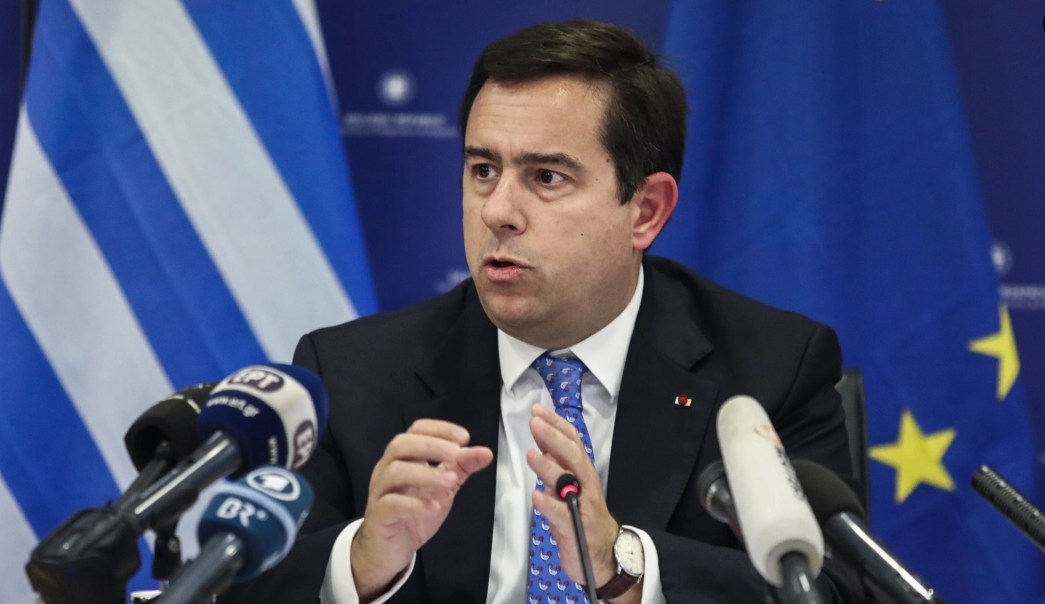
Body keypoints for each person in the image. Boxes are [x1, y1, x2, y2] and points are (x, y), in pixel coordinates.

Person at [219, 18, 858, 604]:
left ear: (646, 211)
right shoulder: (350, 373)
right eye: (483, 170)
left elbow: (832, 591)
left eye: (547, 177)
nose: (498, 210)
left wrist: (622, 564)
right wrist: (363, 563)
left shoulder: (771, 371)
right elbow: (249, 588)